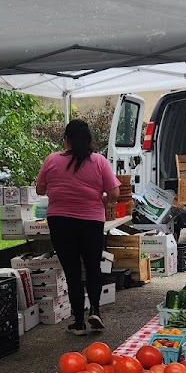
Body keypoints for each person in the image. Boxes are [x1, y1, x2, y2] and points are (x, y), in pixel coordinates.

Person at [36, 119, 120, 335]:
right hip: (91, 221)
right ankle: (95, 310)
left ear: (67, 140)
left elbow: (40, 190)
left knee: (72, 272)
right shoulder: (99, 161)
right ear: (89, 139)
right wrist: (100, 201)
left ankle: (78, 322)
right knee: (93, 267)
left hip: (60, 222)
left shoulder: (52, 160)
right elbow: (114, 194)